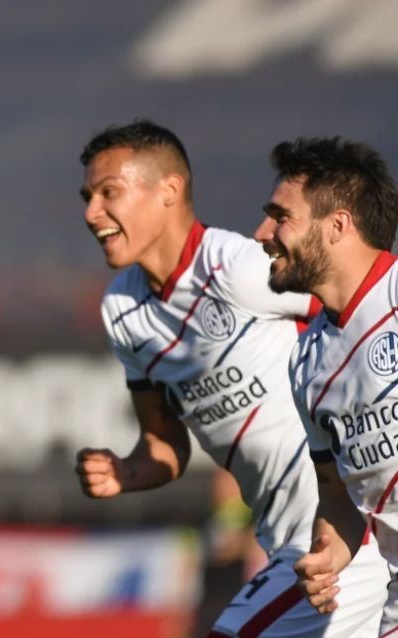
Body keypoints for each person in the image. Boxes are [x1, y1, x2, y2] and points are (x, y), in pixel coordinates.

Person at [74, 120, 388, 636]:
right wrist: (125, 471)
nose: (92, 212)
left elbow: (357, 315)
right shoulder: (122, 310)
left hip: (346, 539)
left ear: (169, 190)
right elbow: (164, 445)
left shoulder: (240, 267)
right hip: (295, 545)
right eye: (88, 197)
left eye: (109, 192)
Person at [254, 136, 398, 634]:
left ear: (338, 224)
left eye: (281, 217)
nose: (262, 233)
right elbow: (337, 496)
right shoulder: (307, 362)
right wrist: (326, 554)